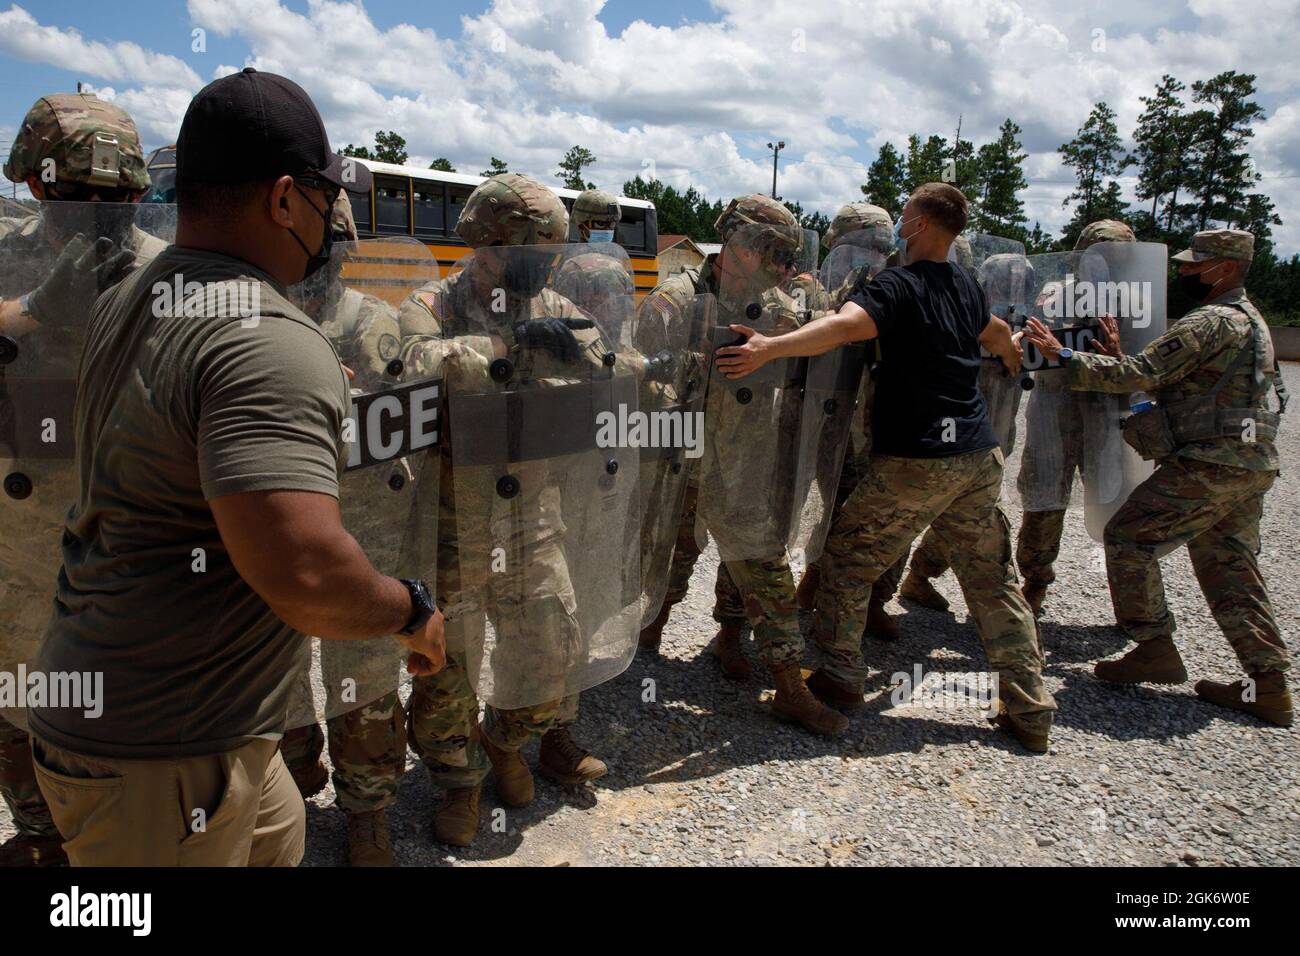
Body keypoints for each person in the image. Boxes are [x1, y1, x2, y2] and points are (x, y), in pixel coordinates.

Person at [25, 68, 445, 867]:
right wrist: (409, 610)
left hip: (185, 725)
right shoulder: (270, 337)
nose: (328, 221)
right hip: (161, 751)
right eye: (323, 197)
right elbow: (308, 575)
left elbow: (176, 428)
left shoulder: (136, 292)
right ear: (285, 200)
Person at [716, 182, 1057, 753]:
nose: (897, 223)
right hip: (977, 453)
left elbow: (843, 328)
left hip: (918, 459)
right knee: (994, 581)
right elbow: (999, 337)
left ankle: (841, 678)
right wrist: (1015, 354)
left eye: (905, 215)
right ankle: (1030, 709)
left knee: (845, 561)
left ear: (920, 226)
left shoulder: (897, 286)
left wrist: (769, 349)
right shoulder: (967, 288)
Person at [399, 174, 619, 847]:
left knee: (554, 653)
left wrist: (599, 358)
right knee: (446, 676)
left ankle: (504, 741)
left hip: (535, 517)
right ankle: (460, 783)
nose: (543, 272)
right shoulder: (431, 302)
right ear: (488, 247)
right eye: (531, 258)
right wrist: (505, 347)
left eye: (549, 260)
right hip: (454, 525)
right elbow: (406, 364)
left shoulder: (552, 302)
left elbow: (610, 366)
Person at [1024, 228, 1291, 727]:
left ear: (1226, 268)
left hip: (1210, 462)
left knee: (1128, 537)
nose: (1186, 272)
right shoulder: (1252, 321)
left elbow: (1138, 375)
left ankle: (1153, 646)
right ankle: (1268, 684)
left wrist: (1064, 357)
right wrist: (1121, 356)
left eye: (1197, 264)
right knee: (1230, 567)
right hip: (1249, 463)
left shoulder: (1210, 321)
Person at [0, 92, 161, 868]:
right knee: (17, 700)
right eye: (75, 199)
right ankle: (40, 836)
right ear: (35, 185)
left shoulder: (176, 273)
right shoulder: (8, 253)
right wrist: (33, 308)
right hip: (19, 537)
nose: (96, 215)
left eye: (113, 200)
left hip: (135, 536)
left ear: (137, 193)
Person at [277, 192, 415, 866]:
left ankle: (368, 809)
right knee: (271, 671)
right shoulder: (244, 317)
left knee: (362, 672)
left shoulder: (371, 320)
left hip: (357, 520)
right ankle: (292, 784)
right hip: (269, 523)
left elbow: (405, 424)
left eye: (328, 247)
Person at [794, 202, 909, 642]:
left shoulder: (902, 291)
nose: (871, 258)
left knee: (887, 519)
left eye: (879, 249)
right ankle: (814, 579)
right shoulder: (815, 290)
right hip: (829, 421)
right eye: (859, 249)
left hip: (886, 424)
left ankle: (874, 601)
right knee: (832, 508)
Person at [899, 250, 1036, 611]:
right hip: (956, 425)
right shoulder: (954, 302)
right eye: (1002, 283)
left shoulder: (1022, 311)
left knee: (963, 508)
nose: (1009, 291)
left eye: (1016, 285)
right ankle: (998, 605)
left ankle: (922, 576)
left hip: (995, 421)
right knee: (957, 508)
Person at [1013, 220, 1136, 616]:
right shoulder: (1054, 298)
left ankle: (1135, 601)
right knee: (1044, 498)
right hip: (1055, 409)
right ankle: (1035, 581)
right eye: (1101, 255)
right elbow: (1027, 344)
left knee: (1117, 503)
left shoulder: (1137, 302)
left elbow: (1146, 367)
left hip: (1107, 412)